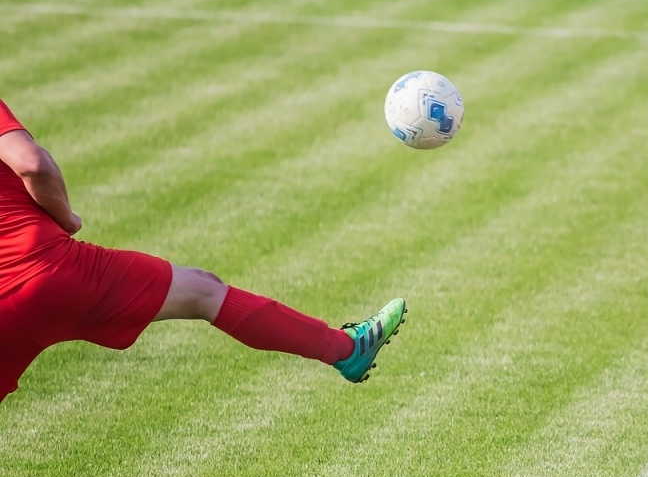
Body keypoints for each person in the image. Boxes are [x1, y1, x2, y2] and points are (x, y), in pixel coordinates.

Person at [0, 99, 407, 406]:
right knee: (204, 291)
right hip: (46, 267)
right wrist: (66, 218)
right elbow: (33, 164)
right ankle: (345, 350)